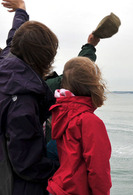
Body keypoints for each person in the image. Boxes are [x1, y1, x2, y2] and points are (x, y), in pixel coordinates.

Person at [0, 0, 59, 194]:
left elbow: (14, 37)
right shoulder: (23, 101)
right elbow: (27, 164)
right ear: (45, 58)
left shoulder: (7, 60)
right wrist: (60, 167)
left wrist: (21, 12)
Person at [47, 57, 112, 195]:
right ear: (93, 85)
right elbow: (99, 170)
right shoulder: (89, 121)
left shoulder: (61, 113)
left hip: (57, 187)